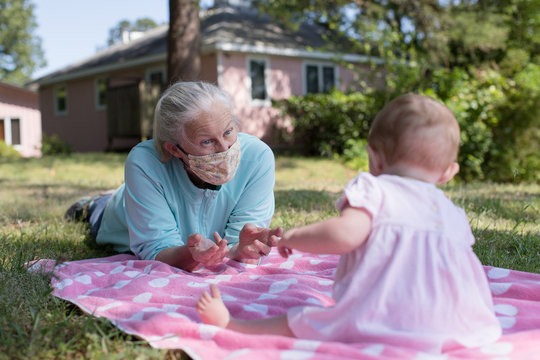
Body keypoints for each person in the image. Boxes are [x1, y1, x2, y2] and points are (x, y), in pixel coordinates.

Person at [196, 94, 502, 353]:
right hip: (457, 325)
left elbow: (345, 234)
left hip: (384, 318)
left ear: (375, 159)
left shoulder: (376, 189)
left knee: (303, 320)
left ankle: (232, 325)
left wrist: (293, 236)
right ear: (449, 172)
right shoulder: (451, 212)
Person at [66, 81, 282, 271]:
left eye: (228, 131)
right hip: (119, 213)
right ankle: (92, 204)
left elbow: (239, 242)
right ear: (175, 149)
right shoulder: (145, 163)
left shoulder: (257, 158)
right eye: (207, 141)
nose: (225, 148)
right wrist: (192, 257)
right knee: (101, 208)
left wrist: (242, 251)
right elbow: (156, 248)